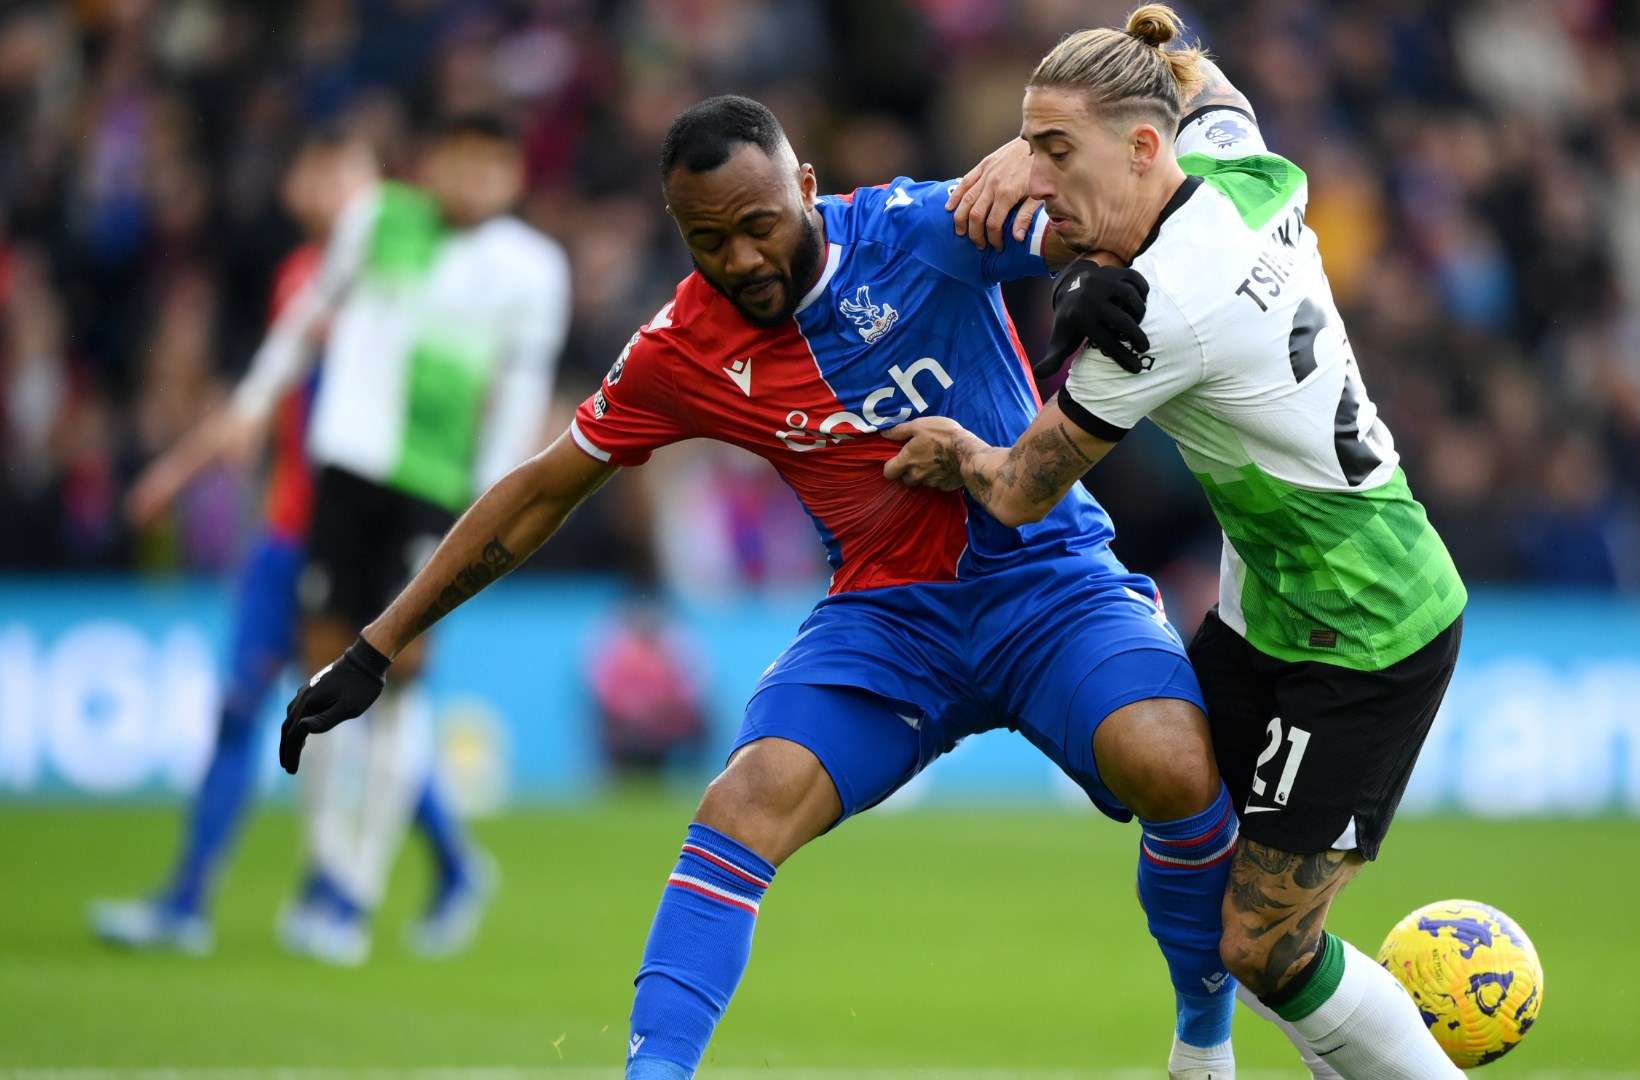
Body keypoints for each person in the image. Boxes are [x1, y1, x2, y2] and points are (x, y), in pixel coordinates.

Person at [277, 94, 1247, 1079]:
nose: (739, 259)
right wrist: (376, 644)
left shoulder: (921, 228)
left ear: (807, 191)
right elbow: (536, 492)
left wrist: (1085, 273)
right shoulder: (680, 348)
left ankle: (1202, 1048)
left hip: (1051, 585)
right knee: (744, 801)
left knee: (1173, 765)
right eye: (708, 240)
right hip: (891, 622)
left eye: (757, 225)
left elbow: (1096, 219)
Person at [886, 6, 1472, 1077]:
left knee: (1265, 944)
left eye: (1058, 155)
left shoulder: (1151, 319)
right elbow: (1201, 81)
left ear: (1141, 148)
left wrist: (957, 449)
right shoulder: (1237, 166)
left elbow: (1018, 491)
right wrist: (1066, 117)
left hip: (1368, 626)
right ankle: (1206, 1058)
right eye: (1036, 151)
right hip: (1270, 604)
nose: (1041, 186)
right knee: (1177, 805)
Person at [154, 114, 565, 964]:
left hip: (436, 495)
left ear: (513, 176)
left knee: (400, 681)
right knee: (325, 675)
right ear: (434, 159)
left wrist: (491, 512)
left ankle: (356, 890)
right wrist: (253, 404)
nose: (470, 179)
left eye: (489, 166)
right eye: (458, 158)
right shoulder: (382, 217)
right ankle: (328, 873)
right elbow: (310, 316)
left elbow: (521, 394)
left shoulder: (532, 268)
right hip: (344, 473)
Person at [88, 132, 476, 959]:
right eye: (313, 166)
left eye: (338, 169)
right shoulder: (302, 278)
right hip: (288, 532)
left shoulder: (396, 276)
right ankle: (189, 901)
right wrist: (181, 472)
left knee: (346, 707)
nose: (321, 184)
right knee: (250, 709)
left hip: (357, 528)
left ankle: (401, 873)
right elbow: (263, 405)